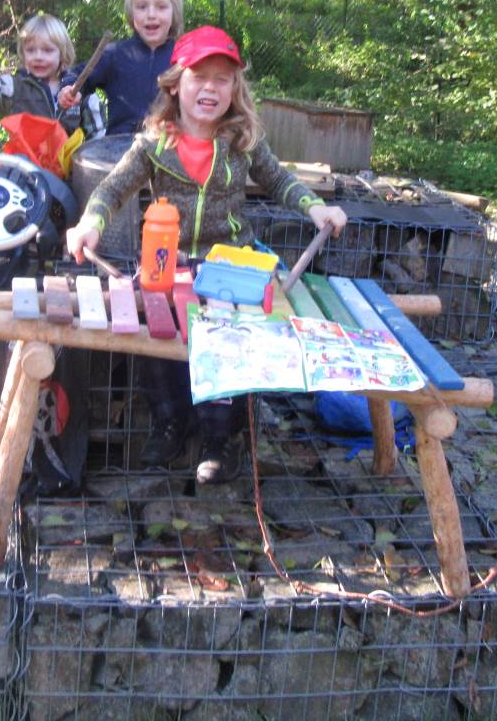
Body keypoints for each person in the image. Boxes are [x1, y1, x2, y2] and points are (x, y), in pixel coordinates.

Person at [66, 25, 348, 484]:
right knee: (157, 336)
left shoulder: (242, 142)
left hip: (228, 263)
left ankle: (220, 436)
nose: (210, 89)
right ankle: (169, 422)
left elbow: (280, 180)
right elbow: (112, 189)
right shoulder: (153, 143)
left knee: (231, 341)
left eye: (222, 79)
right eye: (199, 77)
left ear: (235, 89)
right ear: (175, 84)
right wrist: (89, 224)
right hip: (168, 261)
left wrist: (316, 207)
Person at [57, 0, 184, 137]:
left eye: (161, 7)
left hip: (167, 143)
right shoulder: (115, 54)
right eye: (142, 7)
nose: (151, 15)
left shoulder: (183, 58)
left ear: (174, 12)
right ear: (131, 13)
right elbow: (77, 75)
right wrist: (69, 88)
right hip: (121, 144)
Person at [0, 12, 99, 134]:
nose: (38, 57)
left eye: (47, 50)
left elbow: (97, 138)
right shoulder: (15, 87)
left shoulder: (79, 89)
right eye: (31, 50)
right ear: (23, 53)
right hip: (25, 154)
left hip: (70, 155)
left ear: (62, 54)